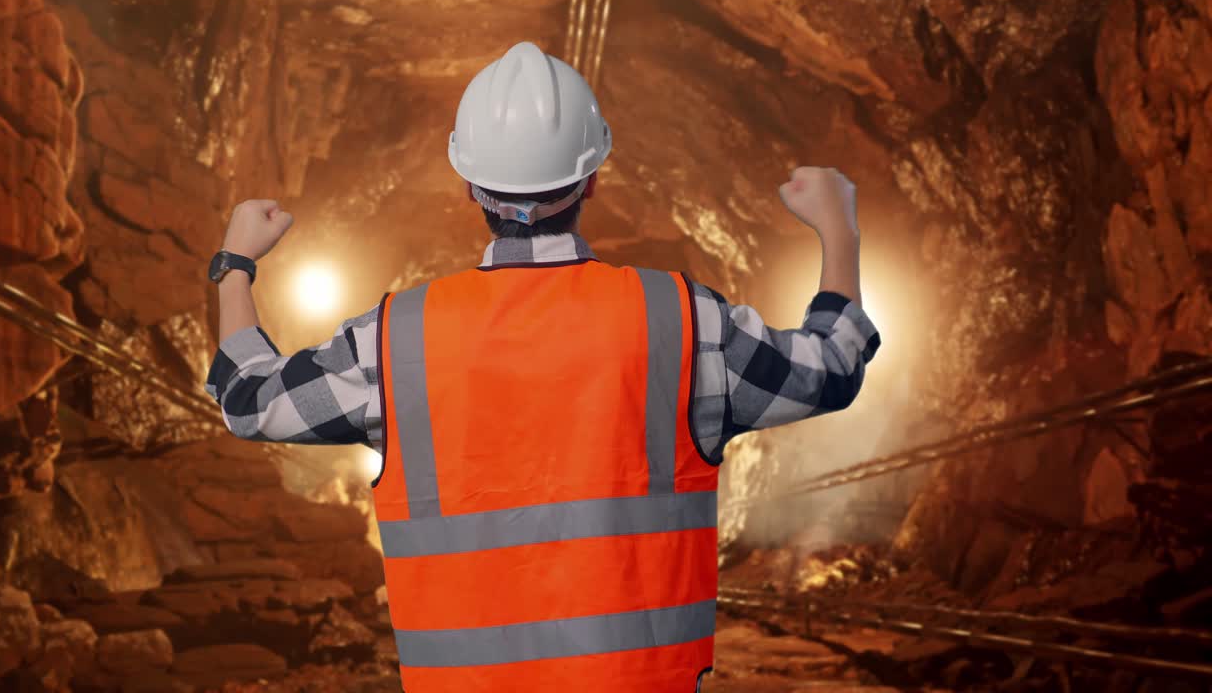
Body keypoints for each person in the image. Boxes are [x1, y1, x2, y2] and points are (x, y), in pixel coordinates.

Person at [205, 41, 880, 693]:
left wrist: (235, 265)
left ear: (469, 186)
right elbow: (832, 365)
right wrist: (839, 231)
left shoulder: (393, 341)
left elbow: (249, 398)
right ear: (593, 179)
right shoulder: (681, 321)